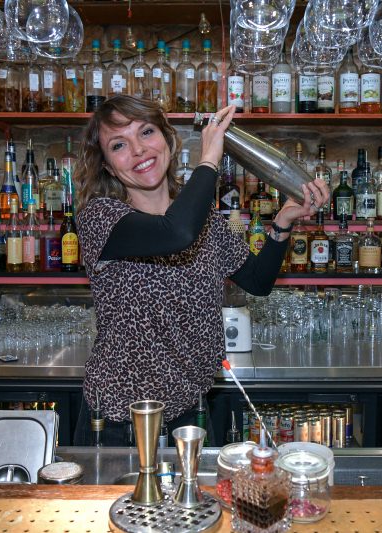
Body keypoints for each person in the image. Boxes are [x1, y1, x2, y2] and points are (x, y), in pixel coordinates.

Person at [73, 95, 330, 445]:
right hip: (120, 421)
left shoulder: (203, 220)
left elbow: (257, 281)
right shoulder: (100, 218)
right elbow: (175, 234)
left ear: (166, 138)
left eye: (146, 132)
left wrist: (283, 222)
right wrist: (209, 158)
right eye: (119, 144)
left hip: (191, 412)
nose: (138, 150)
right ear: (106, 164)